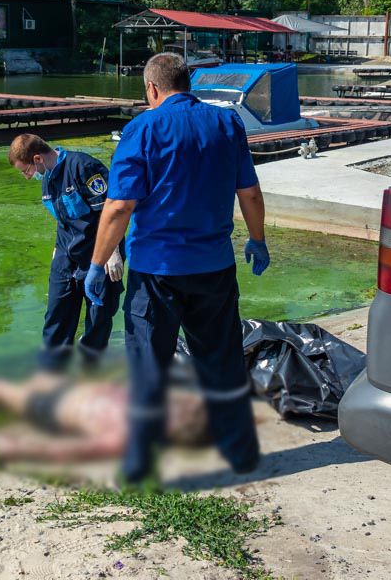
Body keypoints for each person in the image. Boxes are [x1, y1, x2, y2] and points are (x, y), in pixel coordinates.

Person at [84, 52, 271, 484]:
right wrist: (257, 240)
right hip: (215, 269)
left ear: (151, 88)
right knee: (220, 360)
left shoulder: (142, 128)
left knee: (150, 364)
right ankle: (238, 451)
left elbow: (118, 207)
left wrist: (97, 264)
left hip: (156, 274)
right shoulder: (228, 124)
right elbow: (251, 194)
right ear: (188, 83)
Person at [8, 134, 124, 371]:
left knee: (98, 317)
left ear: (38, 158)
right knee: (56, 317)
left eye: (26, 170)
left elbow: (112, 212)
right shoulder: (48, 178)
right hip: (65, 256)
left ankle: (90, 370)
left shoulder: (84, 167)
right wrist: (56, 250)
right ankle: (52, 372)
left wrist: (112, 252)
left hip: (99, 254)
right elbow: (64, 219)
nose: (27, 176)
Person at [0, 374, 210, 462]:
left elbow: (67, 450)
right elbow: (196, 404)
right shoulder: (154, 406)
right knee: (39, 379)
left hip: (53, 406)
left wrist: (15, 448)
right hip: (71, 390)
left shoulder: (123, 435)